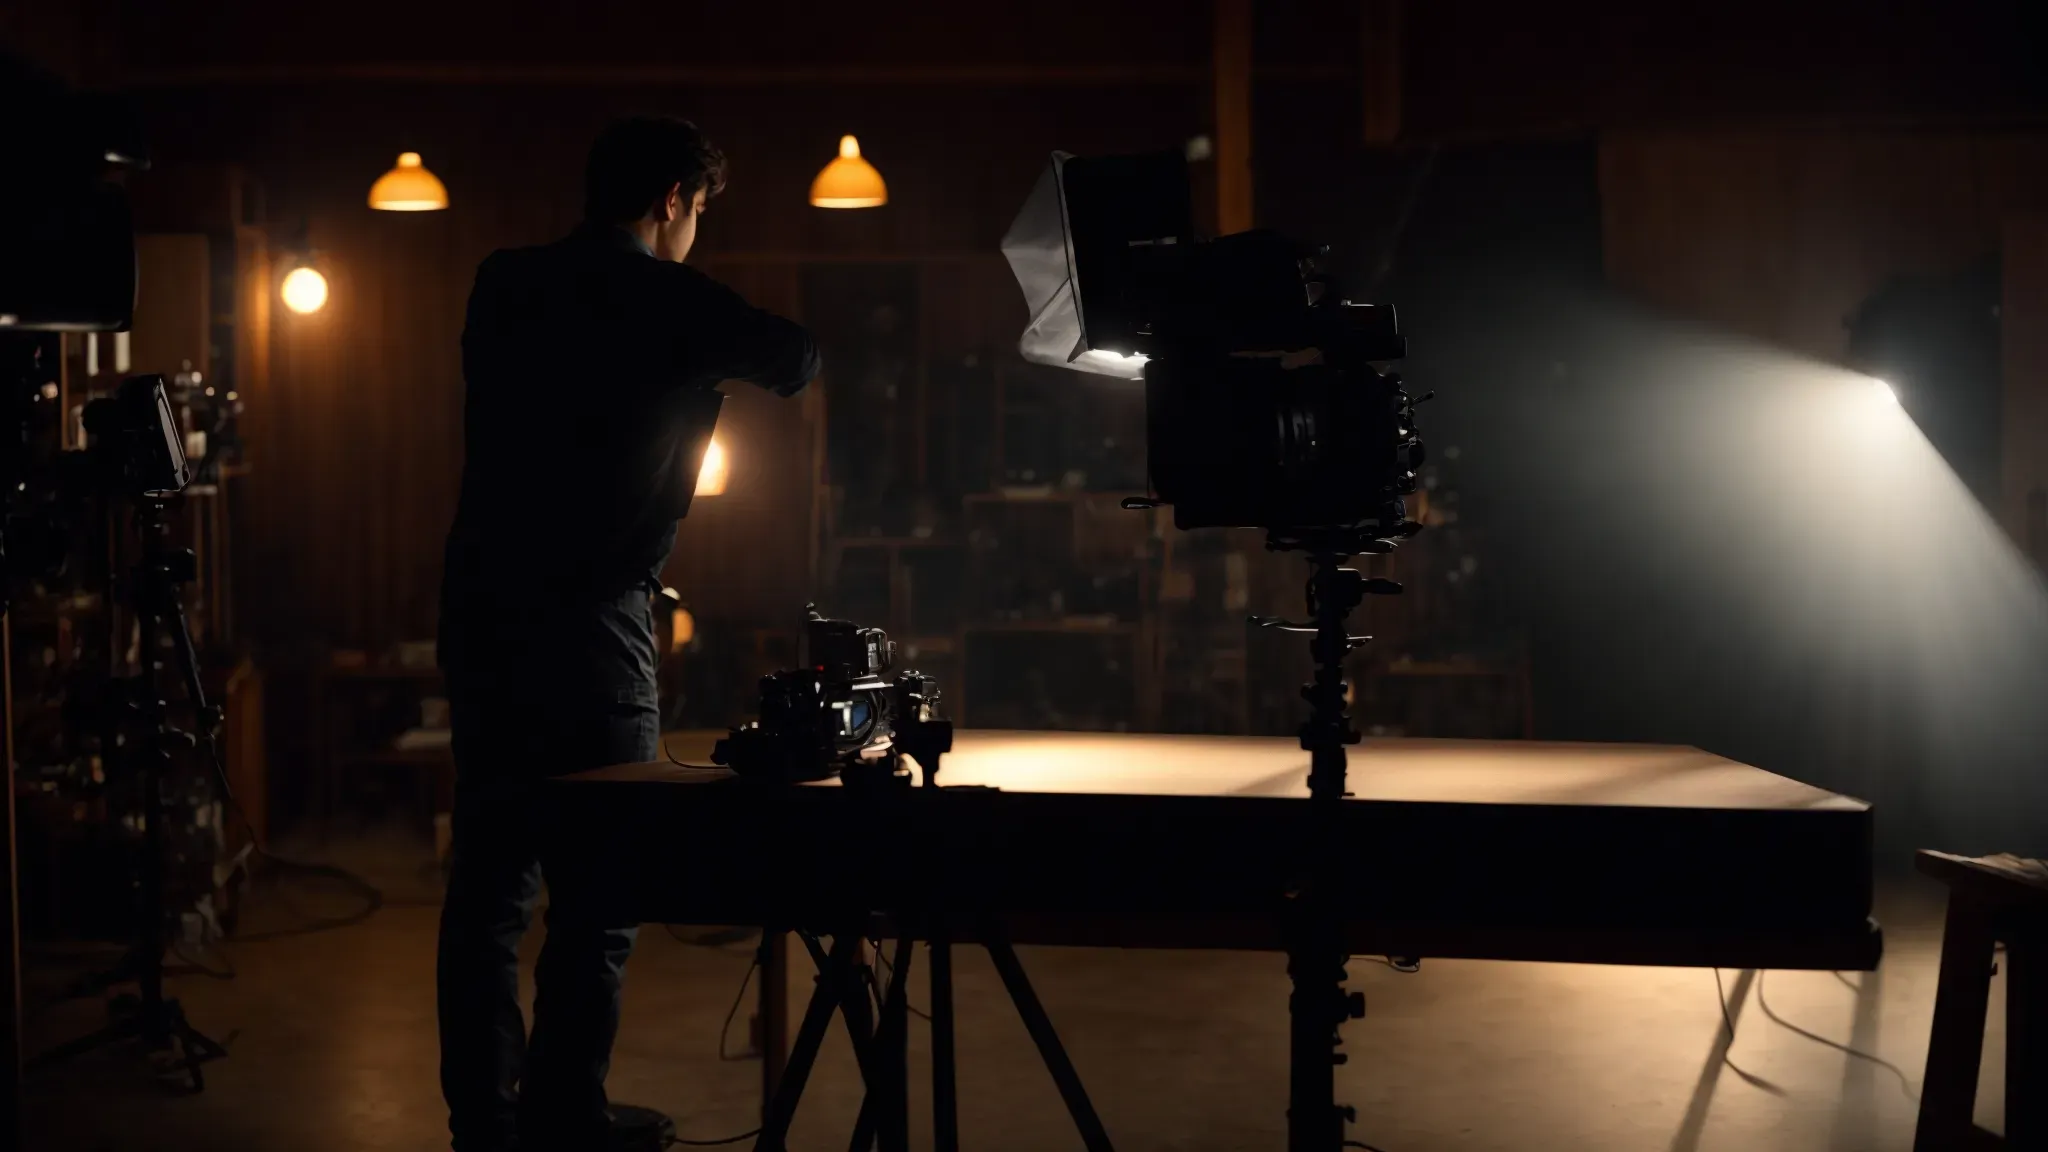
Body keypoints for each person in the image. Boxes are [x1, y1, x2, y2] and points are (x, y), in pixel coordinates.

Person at [435, 116, 819, 1152]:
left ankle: (483, 1119)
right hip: (591, 626)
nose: (694, 230)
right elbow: (794, 358)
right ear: (669, 203)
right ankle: (565, 1115)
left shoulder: (504, 281)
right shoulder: (664, 300)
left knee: (488, 889)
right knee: (597, 891)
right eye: (697, 213)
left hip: (482, 612)